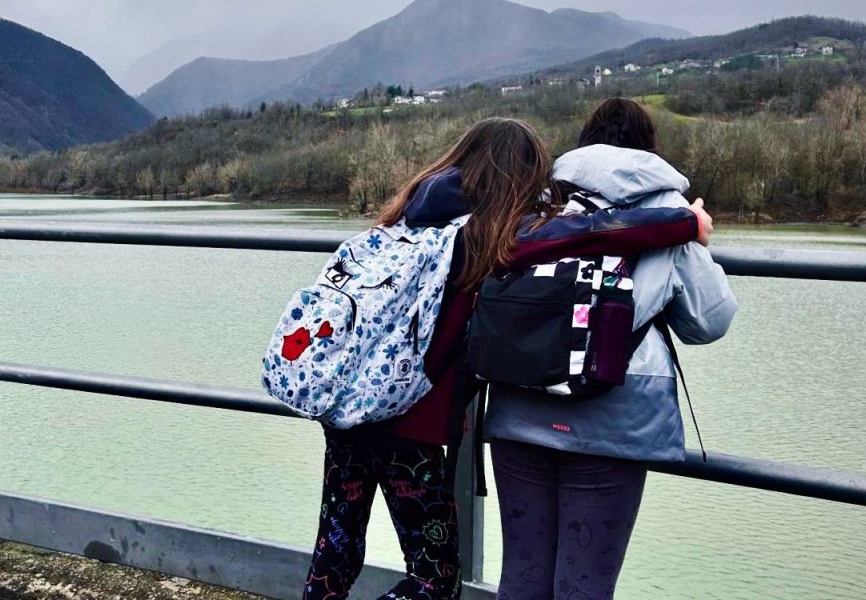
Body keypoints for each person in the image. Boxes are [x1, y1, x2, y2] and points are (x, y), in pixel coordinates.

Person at [302, 116, 713, 600]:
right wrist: (687, 222)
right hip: (410, 430)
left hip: (346, 414)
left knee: (336, 549)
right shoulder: (483, 235)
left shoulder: (405, 214)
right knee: (434, 579)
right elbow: (589, 234)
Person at [485, 98, 738, 600]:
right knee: (584, 586)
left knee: (522, 577)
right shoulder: (669, 214)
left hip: (519, 402)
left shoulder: (538, 200)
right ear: (648, 148)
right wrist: (695, 242)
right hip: (613, 415)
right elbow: (709, 322)